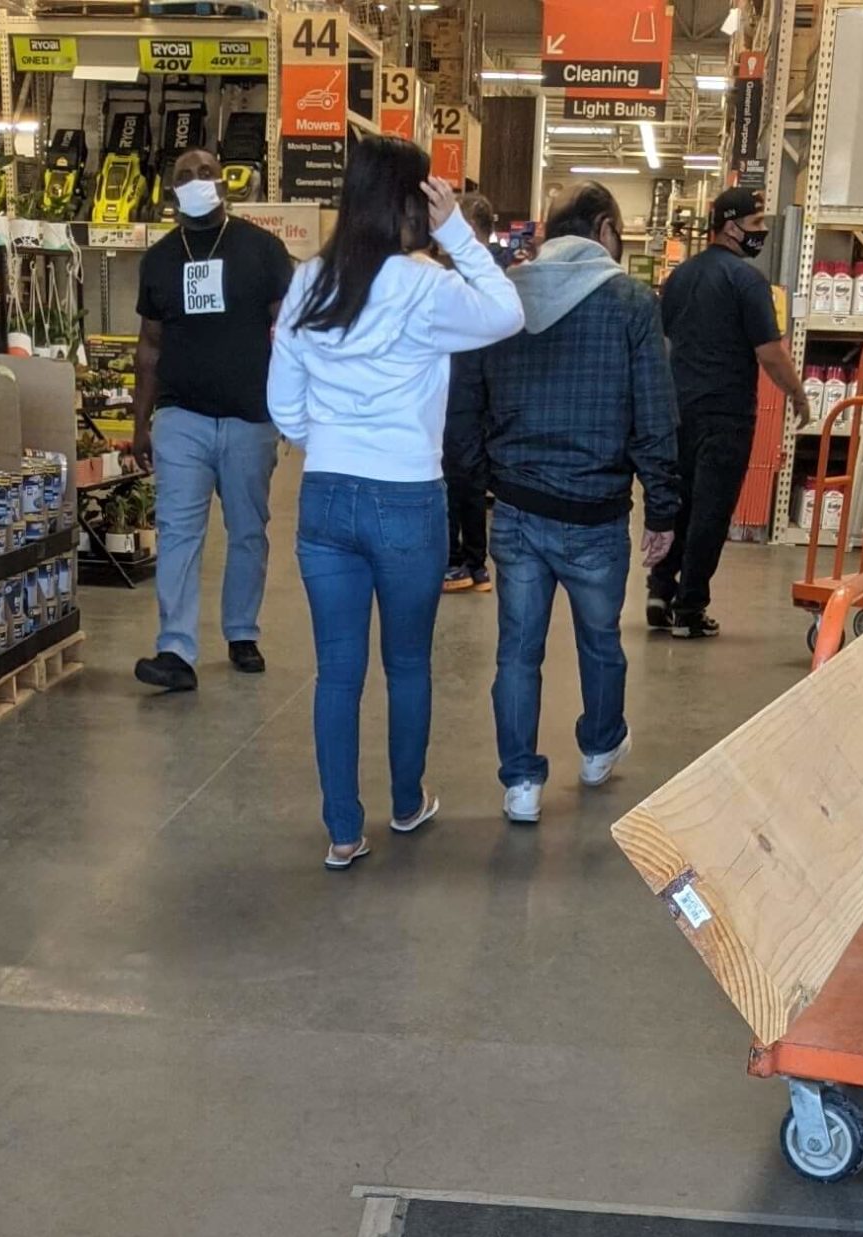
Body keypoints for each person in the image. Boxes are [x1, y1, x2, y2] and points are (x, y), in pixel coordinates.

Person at [268, 138, 522, 871]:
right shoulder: (424, 286)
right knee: (408, 663)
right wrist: (457, 235)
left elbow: (284, 406)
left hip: (325, 498)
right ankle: (407, 802)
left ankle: (343, 831)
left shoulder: (310, 284)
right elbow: (506, 313)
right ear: (413, 202)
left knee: (337, 671)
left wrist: (334, 443)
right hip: (409, 499)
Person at [446, 181, 679, 824]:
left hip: (516, 509)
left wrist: (477, 481)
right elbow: (654, 414)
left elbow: (463, 405)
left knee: (518, 650)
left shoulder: (504, 298)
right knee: (600, 640)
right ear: (604, 229)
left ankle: (520, 783)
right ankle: (599, 747)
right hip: (596, 511)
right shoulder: (631, 304)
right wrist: (663, 507)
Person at [131, 147, 294, 694]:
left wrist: (295, 408)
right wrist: (139, 421)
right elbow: (149, 346)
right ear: (170, 189)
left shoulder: (263, 250)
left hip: (251, 419)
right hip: (181, 418)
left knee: (248, 530)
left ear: (224, 181)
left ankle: (242, 632)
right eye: (183, 175)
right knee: (178, 531)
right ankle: (175, 649)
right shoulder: (159, 260)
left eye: (205, 173)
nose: (196, 181)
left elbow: (291, 336)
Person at [648, 186, 808, 640]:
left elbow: (663, 342)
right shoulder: (747, 281)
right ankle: (690, 609)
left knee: (677, 505)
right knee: (711, 513)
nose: (760, 233)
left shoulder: (678, 279)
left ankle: (659, 592)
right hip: (727, 414)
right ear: (731, 226)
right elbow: (771, 353)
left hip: (677, 410)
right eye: (755, 225)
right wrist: (797, 394)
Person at [443, 194, 497, 595]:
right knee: (460, 479)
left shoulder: (485, 276)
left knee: (463, 480)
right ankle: (465, 560)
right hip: (457, 390)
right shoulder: (446, 272)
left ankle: (468, 561)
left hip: (469, 391)